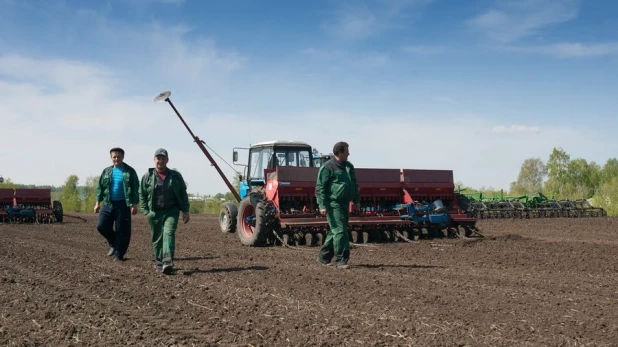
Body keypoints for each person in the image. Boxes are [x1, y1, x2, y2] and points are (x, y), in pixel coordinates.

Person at [139, 148, 190, 275]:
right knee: (157, 239)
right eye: (158, 158)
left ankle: (167, 262)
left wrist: (185, 210)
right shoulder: (147, 177)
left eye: (163, 158)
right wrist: (146, 211)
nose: (160, 161)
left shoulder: (175, 176)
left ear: (167, 160)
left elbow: (183, 193)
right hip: (154, 212)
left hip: (171, 211)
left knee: (168, 233)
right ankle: (159, 263)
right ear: (154, 160)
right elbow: (142, 195)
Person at [315, 141, 360, 269]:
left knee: (336, 231)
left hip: (345, 204)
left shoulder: (349, 167)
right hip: (333, 204)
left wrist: (356, 200)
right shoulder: (327, 167)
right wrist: (322, 205)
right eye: (347, 151)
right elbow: (320, 188)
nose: (349, 153)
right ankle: (341, 260)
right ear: (339, 152)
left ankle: (323, 257)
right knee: (340, 231)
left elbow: (354, 184)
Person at [94, 147, 140, 261]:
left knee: (122, 230)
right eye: (114, 157)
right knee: (101, 226)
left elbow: (135, 188)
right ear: (111, 158)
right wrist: (97, 203)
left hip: (123, 204)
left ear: (123, 157)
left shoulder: (130, 171)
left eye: (119, 156)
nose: (116, 159)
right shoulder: (106, 171)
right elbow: (100, 188)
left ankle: (119, 254)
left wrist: (134, 204)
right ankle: (114, 243)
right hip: (108, 203)